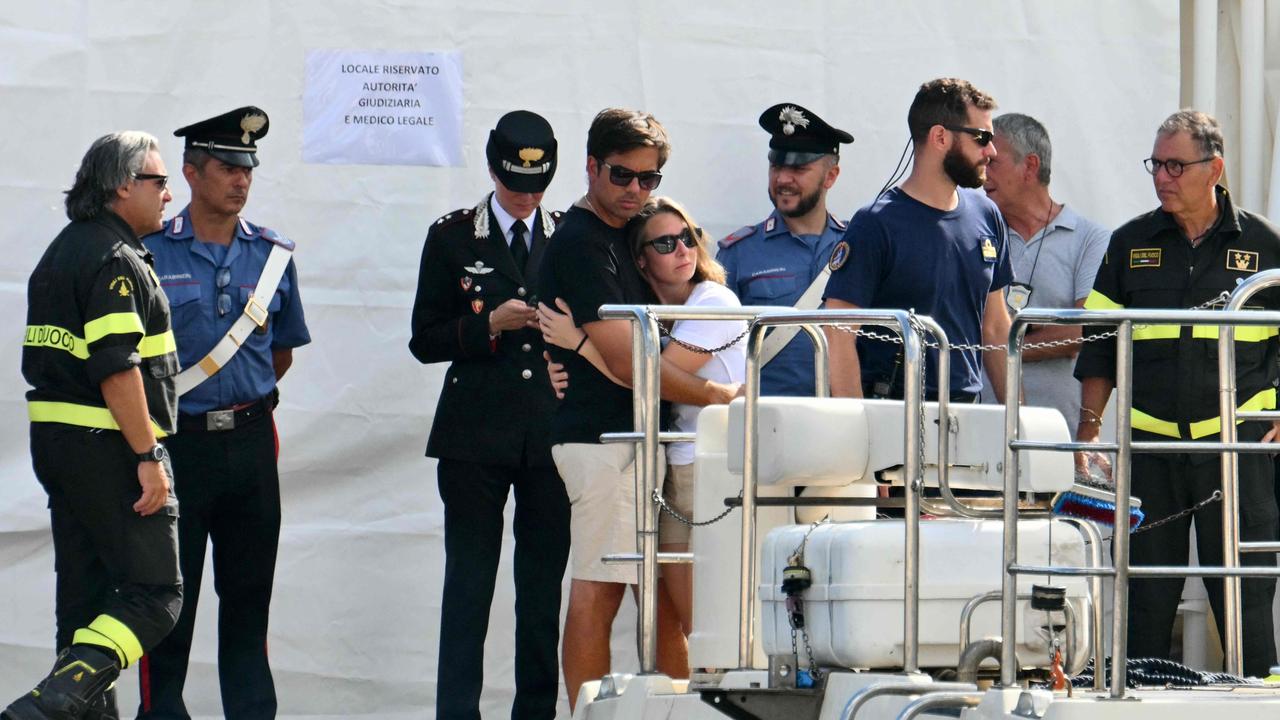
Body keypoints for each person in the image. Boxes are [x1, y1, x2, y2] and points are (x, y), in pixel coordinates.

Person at [536, 108, 738, 710]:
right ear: (591, 166)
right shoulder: (582, 242)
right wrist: (716, 395)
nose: (636, 191)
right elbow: (632, 365)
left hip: (629, 440)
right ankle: (588, 714)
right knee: (599, 592)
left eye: (649, 179)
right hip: (604, 441)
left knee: (652, 603)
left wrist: (571, 348)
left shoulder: (615, 239)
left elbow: (636, 356)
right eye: (623, 176)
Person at [1074, 109, 1280, 676]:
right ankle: (1136, 700)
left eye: (1175, 165)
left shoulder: (1265, 244)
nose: (1162, 176)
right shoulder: (1129, 242)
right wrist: (1088, 430)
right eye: (1155, 164)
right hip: (1151, 453)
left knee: (1244, 597)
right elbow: (1098, 345)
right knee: (1145, 597)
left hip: (1237, 452)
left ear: (1214, 168)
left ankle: (1260, 702)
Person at [138, 107, 310, 719]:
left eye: (248, 168)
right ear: (190, 172)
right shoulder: (149, 253)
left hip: (250, 443)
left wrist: (238, 401)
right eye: (226, 166)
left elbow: (280, 352)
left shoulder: (271, 257)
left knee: (247, 600)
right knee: (167, 603)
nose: (240, 179)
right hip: (177, 445)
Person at [6, 131, 181, 720]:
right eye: (158, 181)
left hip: (58, 446)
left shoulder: (62, 251)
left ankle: (74, 710)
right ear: (122, 186)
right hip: (108, 445)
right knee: (155, 595)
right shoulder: (118, 259)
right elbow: (116, 367)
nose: (169, 193)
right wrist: (148, 454)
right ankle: (54, 700)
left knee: (85, 602)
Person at [409, 110, 569, 720]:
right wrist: (486, 327)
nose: (526, 198)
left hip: (549, 435)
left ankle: (535, 711)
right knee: (469, 586)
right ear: (493, 169)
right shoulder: (452, 236)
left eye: (537, 186)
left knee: (540, 590)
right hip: (474, 434)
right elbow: (424, 339)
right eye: (515, 185)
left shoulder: (567, 234)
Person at [824, 78, 1013, 404]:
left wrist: (1018, 422)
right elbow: (838, 333)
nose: (992, 151)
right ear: (940, 136)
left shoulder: (988, 215)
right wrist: (856, 432)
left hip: (967, 420)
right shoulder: (875, 224)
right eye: (982, 138)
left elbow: (995, 326)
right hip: (893, 419)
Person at [978, 113, 1109, 424]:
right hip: (976, 431)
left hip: (1056, 432)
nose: (983, 175)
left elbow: (1085, 331)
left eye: (993, 162)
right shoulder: (975, 234)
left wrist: (1000, 343)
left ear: (1031, 166)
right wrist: (1042, 337)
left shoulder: (1090, 238)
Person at [717, 103, 852, 396]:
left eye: (798, 169)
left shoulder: (857, 246)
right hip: (765, 425)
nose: (783, 179)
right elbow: (714, 351)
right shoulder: (738, 253)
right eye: (777, 166)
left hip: (845, 424)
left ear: (831, 176)